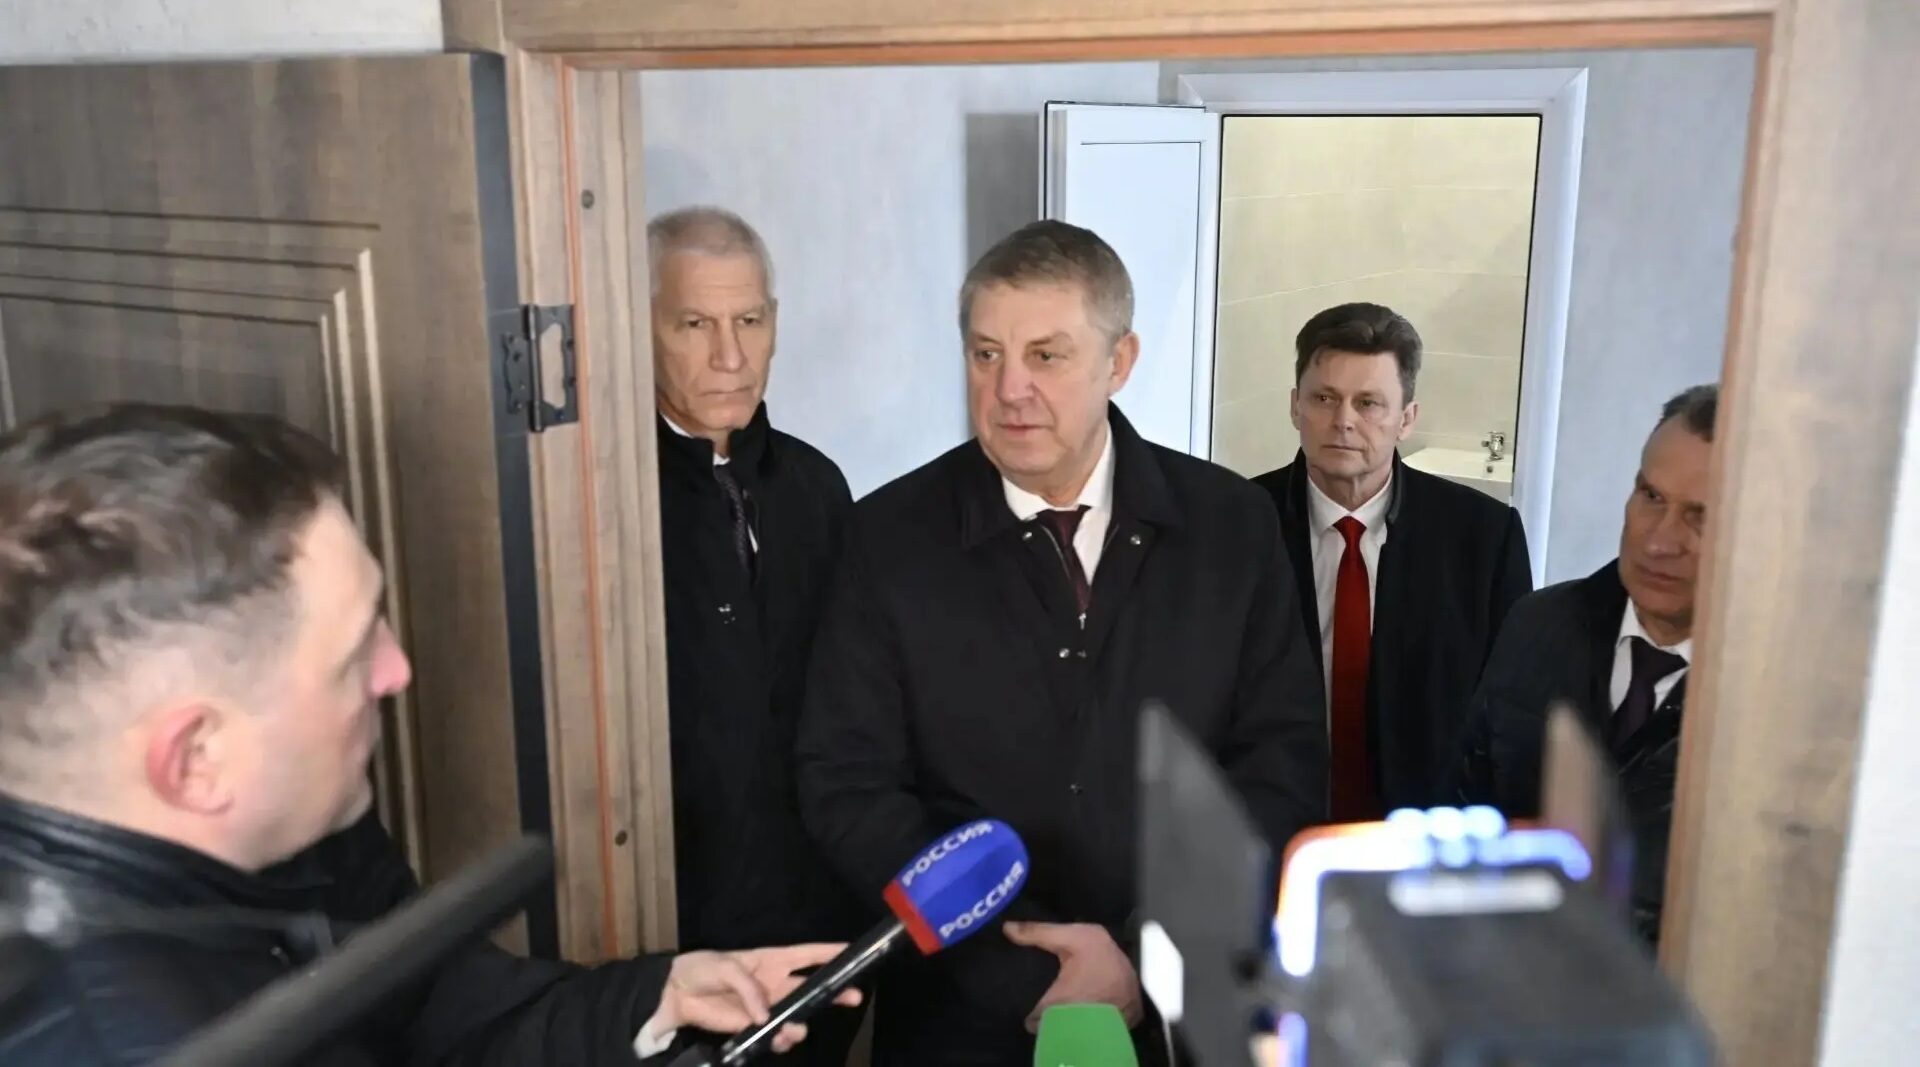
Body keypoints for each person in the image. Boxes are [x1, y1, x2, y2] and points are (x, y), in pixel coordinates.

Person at [0, 404, 857, 1065]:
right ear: (197, 759)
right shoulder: (127, 1039)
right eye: (351, 656)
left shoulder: (305, 825)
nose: (397, 668)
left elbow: (438, 1007)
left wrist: (652, 1000)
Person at [798, 220, 1327, 1066]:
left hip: (1181, 1019)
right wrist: (1017, 965)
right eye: (986, 354)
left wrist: (1144, 957)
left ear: (1120, 361)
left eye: (1045, 355)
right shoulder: (885, 537)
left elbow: (1280, 767)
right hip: (958, 1021)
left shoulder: (1234, 527)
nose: (1009, 388)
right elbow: (848, 786)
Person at [647, 206, 865, 1063]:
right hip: (670, 931)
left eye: (748, 320)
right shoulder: (603, 497)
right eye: (694, 324)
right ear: (641, 326)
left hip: (819, 922)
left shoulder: (819, 487)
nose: (730, 356)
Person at [1452, 384, 1718, 944]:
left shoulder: (1773, 707)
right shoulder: (1537, 625)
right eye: (1651, 496)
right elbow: (1467, 809)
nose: (1660, 542)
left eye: (1700, 518)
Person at [1251, 303, 1532, 819]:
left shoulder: (1484, 538)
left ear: (1406, 419)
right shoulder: (1237, 524)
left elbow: (1512, 716)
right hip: (1270, 829)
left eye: (1368, 403)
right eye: (1324, 398)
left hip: (1427, 832)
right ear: (1295, 407)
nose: (1343, 421)